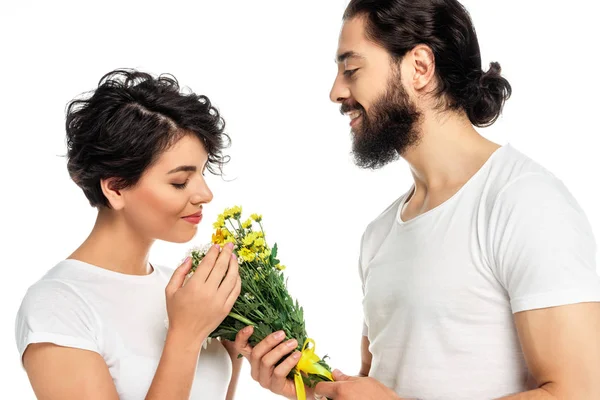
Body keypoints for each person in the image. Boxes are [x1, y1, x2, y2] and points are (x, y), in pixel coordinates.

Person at [233, 0, 600, 399]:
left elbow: (579, 391)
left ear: (420, 67)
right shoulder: (381, 233)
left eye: (351, 69)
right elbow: (385, 388)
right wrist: (312, 388)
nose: (336, 92)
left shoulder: (525, 202)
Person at [15, 69, 242, 400]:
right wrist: (186, 335)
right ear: (116, 188)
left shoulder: (185, 290)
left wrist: (234, 349)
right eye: (180, 181)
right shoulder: (58, 305)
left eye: (202, 173)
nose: (205, 194)